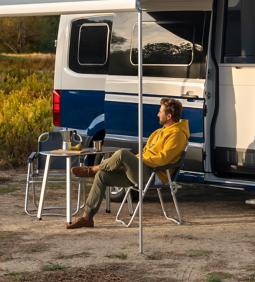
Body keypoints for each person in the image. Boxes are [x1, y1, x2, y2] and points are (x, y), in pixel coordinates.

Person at [66, 97, 189, 229]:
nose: (158, 114)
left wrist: (136, 160)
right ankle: (87, 218)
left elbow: (162, 159)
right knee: (102, 175)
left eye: (161, 111)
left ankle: (92, 169)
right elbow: (145, 154)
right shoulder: (159, 132)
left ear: (169, 116)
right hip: (142, 171)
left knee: (122, 153)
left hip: (154, 175)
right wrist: (135, 160)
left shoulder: (177, 135)